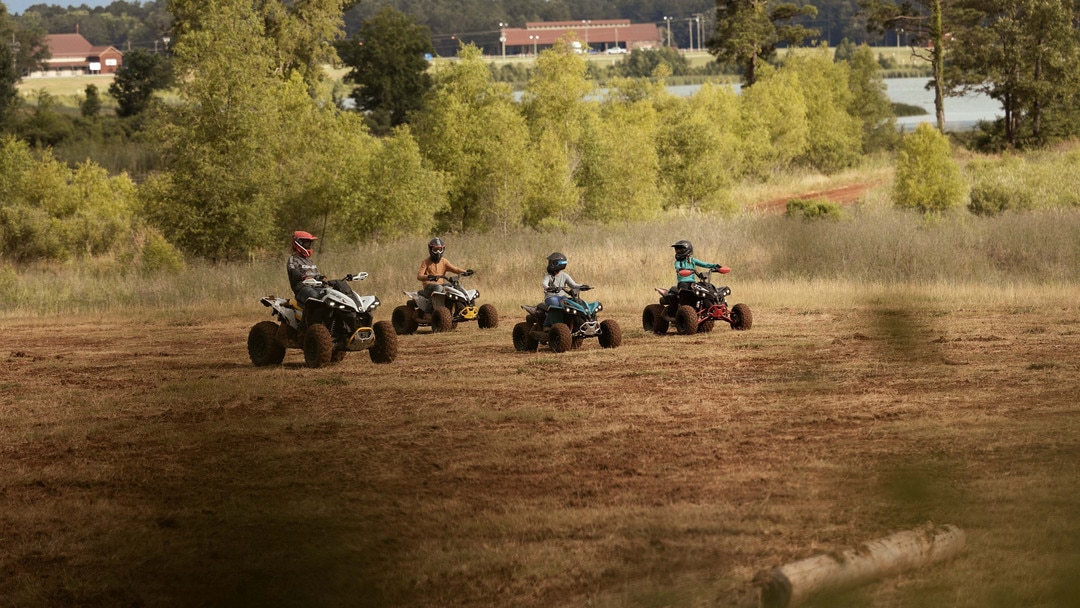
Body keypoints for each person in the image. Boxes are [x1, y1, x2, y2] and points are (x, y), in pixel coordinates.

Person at [667, 240, 721, 310]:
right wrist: (681, 269)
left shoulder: (692, 260)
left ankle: (711, 308)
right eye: (677, 249)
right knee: (685, 294)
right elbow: (678, 267)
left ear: (687, 250)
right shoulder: (677, 262)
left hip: (692, 283)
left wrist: (715, 266)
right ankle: (684, 309)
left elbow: (705, 264)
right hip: (683, 283)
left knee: (703, 292)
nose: (678, 251)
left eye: (680, 249)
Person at [539, 252, 589, 326]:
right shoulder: (548, 276)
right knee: (555, 307)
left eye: (551, 263)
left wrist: (582, 286)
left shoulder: (565, 275)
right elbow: (544, 283)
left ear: (557, 264)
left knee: (571, 305)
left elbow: (573, 285)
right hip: (551, 297)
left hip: (562, 297)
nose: (549, 265)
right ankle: (546, 325)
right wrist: (548, 288)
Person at [417, 237, 471, 301]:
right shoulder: (425, 262)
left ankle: (465, 304)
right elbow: (419, 276)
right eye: (435, 249)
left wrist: (465, 272)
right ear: (430, 249)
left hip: (441, 285)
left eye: (440, 249)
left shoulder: (444, 261)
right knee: (439, 288)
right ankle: (430, 308)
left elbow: (455, 269)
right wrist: (429, 277)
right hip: (429, 286)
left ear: (443, 249)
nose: (438, 252)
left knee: (455, 286)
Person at [287, 230, 324, 308]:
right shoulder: (293, 259)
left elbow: (316, 275)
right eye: (307, 243)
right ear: (299, 243)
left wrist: (323, 278)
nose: (309, 245)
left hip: (315, 287)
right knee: (314, 297)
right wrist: (304, 277)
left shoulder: (309, 261)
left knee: (329, 294)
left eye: (309, 243)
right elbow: (294, 272)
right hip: (302, 289)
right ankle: (312, 320)